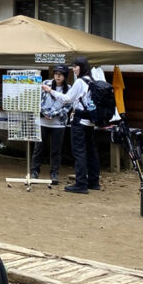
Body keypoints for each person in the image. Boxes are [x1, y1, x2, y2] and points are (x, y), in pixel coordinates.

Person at [42, 56, 100, 194]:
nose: (73, 69)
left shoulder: (80, 82)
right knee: (91, 151)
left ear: (82, 67)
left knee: (79, 152)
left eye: (75, 66)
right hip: (90, 121)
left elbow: (67, 99)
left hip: (79, 120)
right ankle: (94, 181)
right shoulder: (91, 80)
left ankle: (81, 183)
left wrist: (50, 90)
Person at [31, 64, 70, 186]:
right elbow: (36, 99)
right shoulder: (46, 83)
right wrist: (44, 113)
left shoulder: (68, 88)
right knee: (38, 149)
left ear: (65, 76)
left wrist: (54, 114)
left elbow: (68, 106)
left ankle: (54, 173)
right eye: (56, 73)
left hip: (58, 124)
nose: (58, 76)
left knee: (56, 150)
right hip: (42, 122)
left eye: (61, 74)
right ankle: (34, 172)